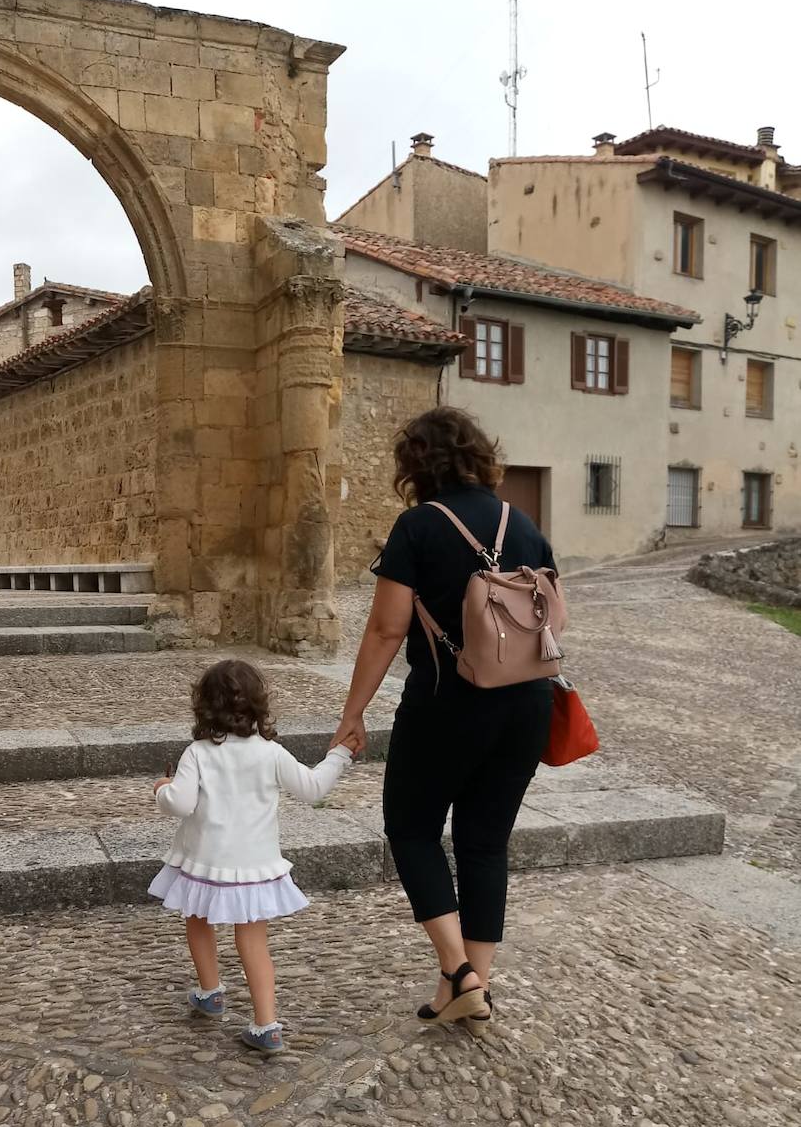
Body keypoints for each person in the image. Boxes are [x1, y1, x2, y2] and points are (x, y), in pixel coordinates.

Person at [331, 407, 557, 1035]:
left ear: (416, 465)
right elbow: (552, 614)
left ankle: (460, 974)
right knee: (485, 843)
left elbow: (384, 629)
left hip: (446, 707)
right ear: (481, 456)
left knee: (410, 829)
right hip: (527, 705)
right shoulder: (526, 524)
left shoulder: (419, 527)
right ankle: (468, 991)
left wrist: (353, 714)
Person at [151, 659, 356, 1054]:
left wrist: (162, 787)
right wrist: (340, 755)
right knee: (254, 941)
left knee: (197, 921)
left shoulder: (197, 753)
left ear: (204, 707)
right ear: (259, 705)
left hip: (204, 862)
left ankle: (210, 992)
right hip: (254, 865)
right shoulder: (271, 753)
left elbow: (180, 802)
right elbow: (313, 788)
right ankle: (266, 1024)